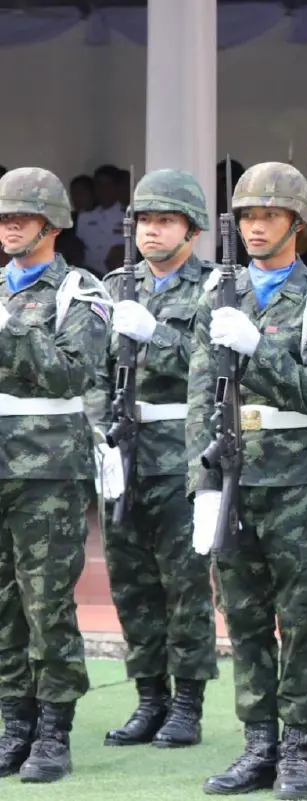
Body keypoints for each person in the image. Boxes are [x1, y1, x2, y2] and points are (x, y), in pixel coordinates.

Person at [186, 161, 307, 799]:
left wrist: (259, 348)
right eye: (248, 217)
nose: (256, 228)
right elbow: (199, 395)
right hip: (230, 473)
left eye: (269, 216)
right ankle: (257, 743)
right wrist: (196, 484)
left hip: (294, 476)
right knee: (244, 617)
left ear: (298, 224)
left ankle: (297, 749)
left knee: (302, 616)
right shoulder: (217, 293)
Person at [88, 169, 219, 749]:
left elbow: (217, 363)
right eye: (144, 220)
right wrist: (100, 431)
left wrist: (157, 336)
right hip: (124, 452)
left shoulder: (216, 289)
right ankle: (149, 698)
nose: (152, 230)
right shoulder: (115, 285)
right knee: (131, 582)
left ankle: (187, 703)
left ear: (192, 230)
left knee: (185, 583)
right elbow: (92, 368)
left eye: (165, 220)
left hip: (178, 454)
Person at [0, 167, 110, 782]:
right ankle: (13, 722)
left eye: (22, 215)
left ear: (51, 223)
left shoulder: (81, 293)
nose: (9, 225)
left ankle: (52, 729)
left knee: (46, 604)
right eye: (4, 215)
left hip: (48, 470)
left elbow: (72, 375)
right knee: (2, 605)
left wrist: (11, 330)